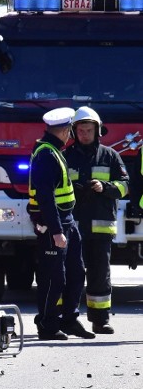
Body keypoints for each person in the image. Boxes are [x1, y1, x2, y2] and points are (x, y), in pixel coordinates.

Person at [27, 107, 92, 340]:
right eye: (71, 130)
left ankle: (70, 320)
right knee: (54, 277)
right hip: (54, 225)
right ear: (65, 130)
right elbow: (45, 197)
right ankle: (47, 324)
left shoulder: (55, 150)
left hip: (68, 221)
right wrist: (56, 232)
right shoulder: (46, 154)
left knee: (76, 273)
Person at [64, 107, 128, 334]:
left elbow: (124, 186)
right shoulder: (66, 157)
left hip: (101, 228)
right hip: (74, 227)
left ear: (97, 130)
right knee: (70, 273)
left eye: (88, 130)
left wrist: (105, 187)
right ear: (74, 132)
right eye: (80, 130)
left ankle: (100, 320)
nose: (84, 134)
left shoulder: (110, 156)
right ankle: (64, 318)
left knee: (100, 274)